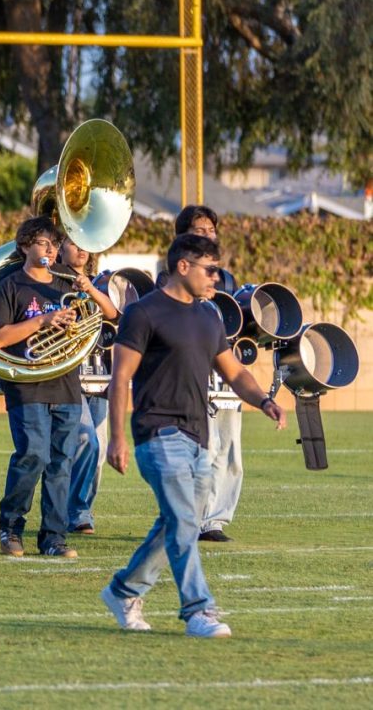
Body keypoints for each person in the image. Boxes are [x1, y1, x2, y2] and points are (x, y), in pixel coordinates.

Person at [101, 233, 285, 638]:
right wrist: (117, 437)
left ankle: (123, 590)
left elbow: (234, 372)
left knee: (177, 523)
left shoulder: (208, 316)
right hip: (157, 433)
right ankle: (199, 611)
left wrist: (263, 400)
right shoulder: (143, 313)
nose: (216, 278)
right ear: (182, 266)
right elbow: (121, 378)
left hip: (200, 437)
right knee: (185, 520)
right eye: (210, 270)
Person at [0, 218, 116, 559]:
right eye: (43, 243)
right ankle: (11, 528)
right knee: (33, 455)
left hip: (65, 384)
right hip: (27, 384)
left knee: (61, 463)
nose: (51, 250)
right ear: (25, 246)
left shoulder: (65, 284)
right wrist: (43, 321)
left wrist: (88, 289)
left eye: (54, 244)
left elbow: (111, 313)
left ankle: (53, 537)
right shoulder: (9, 285)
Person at [170, 206, 244, 543]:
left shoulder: (226, 278)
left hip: (224, 371)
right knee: (200, 448)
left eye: (211, 229)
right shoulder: (174, 274)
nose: (207, 234)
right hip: (191, 372)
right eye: (200, 229)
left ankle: (214, 520)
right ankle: (190, 517)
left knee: (228, 450)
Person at [64, 236, 111, 536]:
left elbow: (114, 314)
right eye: (73, 242)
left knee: (100, 449)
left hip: (100, 374)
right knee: (85, 441)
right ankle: (77, 512)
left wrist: (90, 288)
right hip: (69, 376)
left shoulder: (101, 284)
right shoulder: (52, 282)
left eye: (85, 243)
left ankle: (82, 510)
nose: (81, 248)